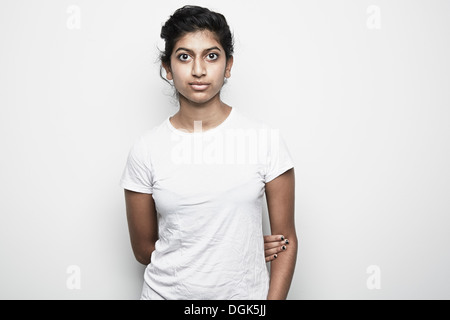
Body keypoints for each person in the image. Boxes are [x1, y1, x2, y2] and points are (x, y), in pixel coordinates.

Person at [120, 5, 297, 300]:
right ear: (167, 67)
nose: (198, 70)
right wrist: (215, 253)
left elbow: (286, 240)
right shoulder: (145, 149)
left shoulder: (265, 140)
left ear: (228, 66)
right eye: (184, 56)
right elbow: (143, 249)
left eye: (211, 56)